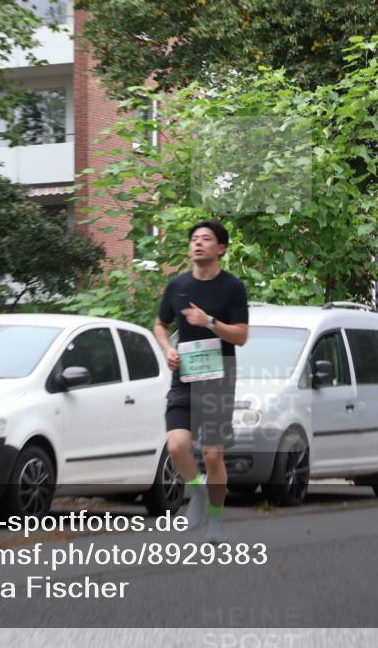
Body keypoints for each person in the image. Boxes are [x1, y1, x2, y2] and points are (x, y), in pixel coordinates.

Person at [154, 221, 248, 544]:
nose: (198, 244)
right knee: (177, 445)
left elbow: (241, 336)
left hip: (219, 377)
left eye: (206, 239)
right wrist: (168, 349)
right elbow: (160, 324)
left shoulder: (232, 287)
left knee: (212, 456)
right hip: (185, 376)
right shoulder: (177, 286)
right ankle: (197, 493)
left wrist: (208, 322)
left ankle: (217, 522)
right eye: (194, 239)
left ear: (220, 248)